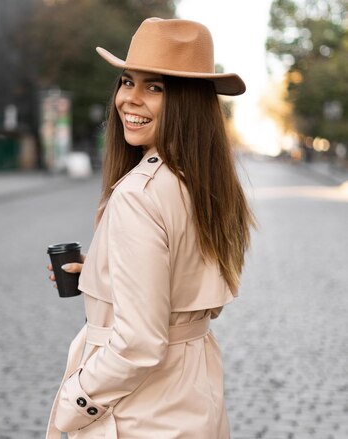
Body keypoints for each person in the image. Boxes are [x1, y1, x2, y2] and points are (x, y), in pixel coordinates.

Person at [45, 17, 255, 438]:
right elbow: (186, 288)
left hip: (140, 415)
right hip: (194, 399)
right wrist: (104, 270)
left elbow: (139, 343)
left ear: (187, 101)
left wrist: (76, 400)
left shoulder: (140, 194)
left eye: (154, 87)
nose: (129, 99)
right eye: (127, 82)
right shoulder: (202, 182)